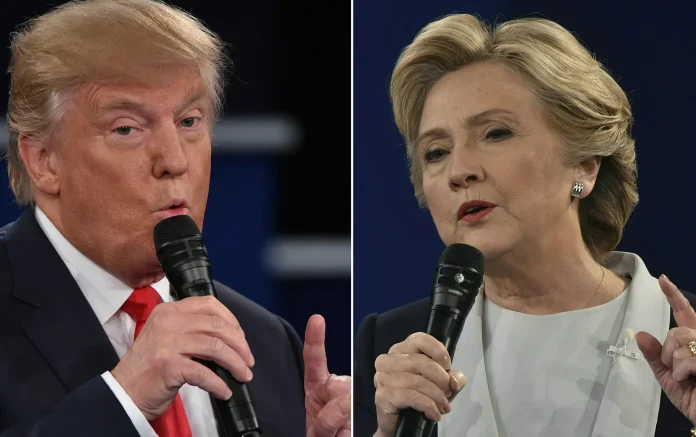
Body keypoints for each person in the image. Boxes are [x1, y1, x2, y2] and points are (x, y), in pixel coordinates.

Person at [0, 1, 351, 436]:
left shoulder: (265, 341)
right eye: (126, 128)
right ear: (44, 161)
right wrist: (125, 399)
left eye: (189, 121)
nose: (174, 159)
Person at [355, 13, 696, 437]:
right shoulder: (385, 346)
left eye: (496, 133)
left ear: (585, 165)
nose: (458, 170)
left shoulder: (686, 332)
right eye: (436, 152)